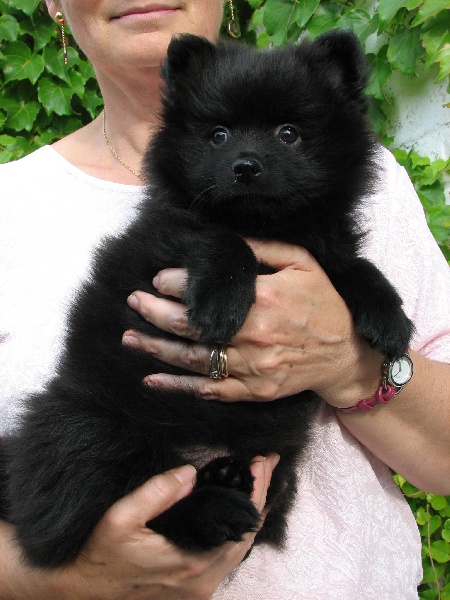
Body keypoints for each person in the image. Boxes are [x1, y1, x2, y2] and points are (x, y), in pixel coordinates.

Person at [0, 0, 449, 598]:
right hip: (118, 454)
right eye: (218, 134)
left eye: (288, 134)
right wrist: (56, 579)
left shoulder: (380, 197)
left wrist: (350, 361)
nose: (246, 159)